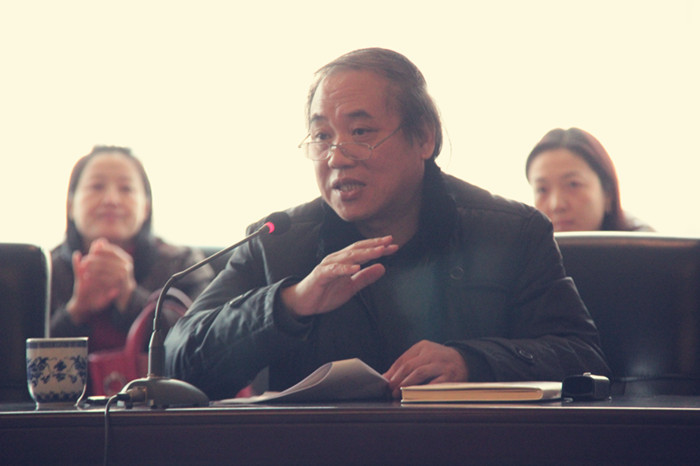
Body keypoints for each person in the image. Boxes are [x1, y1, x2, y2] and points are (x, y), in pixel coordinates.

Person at [165, 48, 610, 400]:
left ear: (424, 137)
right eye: (321, 136)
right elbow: (179, 364)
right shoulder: (276, 241)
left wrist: (472, 362)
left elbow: (584, 357)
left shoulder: (511, 232)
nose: (336, 157)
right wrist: (291, 303)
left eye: (360, 132)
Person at [50, 146, 214, 353]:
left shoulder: (184, 264)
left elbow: (205, 344)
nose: (111, 200)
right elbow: (17, 353)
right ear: (71, 205)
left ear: (146, 207)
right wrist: (75, 311)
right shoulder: (44, 270)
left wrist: (130, 297)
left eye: (126, 188)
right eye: (96, 186)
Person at [525, 127, 653, 232]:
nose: (557, 205)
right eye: (542, 189)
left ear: (608, 194)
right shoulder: (521, 251)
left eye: (573, 184)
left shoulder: (647, 250)